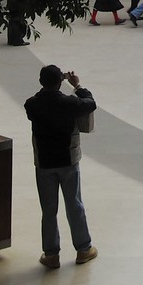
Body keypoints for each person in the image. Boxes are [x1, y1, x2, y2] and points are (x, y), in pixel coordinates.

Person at [23, 64, 99, 268]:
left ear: (41, 82)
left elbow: (38, 103)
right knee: (74, 204)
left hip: (44, 163)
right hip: (68, 161)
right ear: (60, 82)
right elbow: (90, 103)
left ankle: (51, 254)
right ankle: (84, 249)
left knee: (48, 209)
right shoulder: (69, 103)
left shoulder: (32, 104)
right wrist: (77, 85)